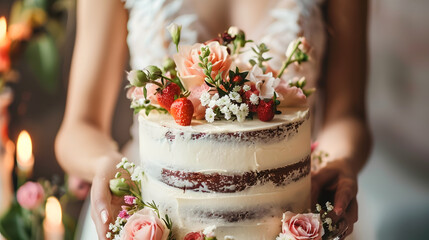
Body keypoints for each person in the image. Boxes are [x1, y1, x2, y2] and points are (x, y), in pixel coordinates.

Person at [55, 0, 372, 239]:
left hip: (294, 219)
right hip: (150, 221)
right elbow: (79, 126)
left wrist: (339, 160)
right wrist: (104, 163)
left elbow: (348, 114)